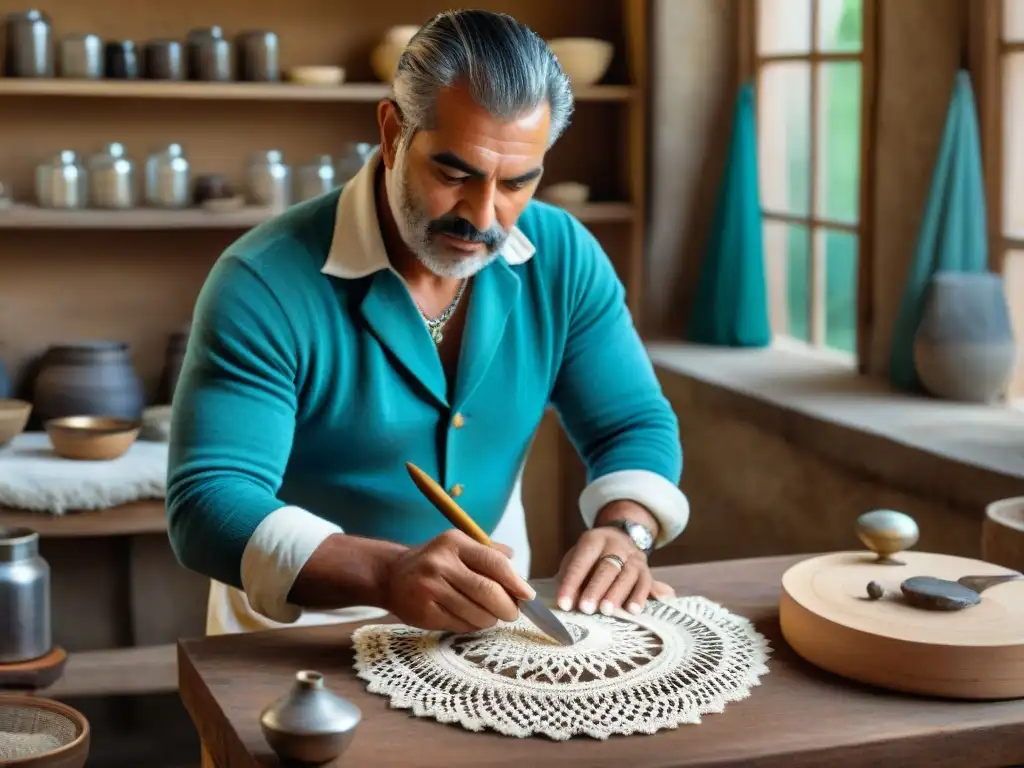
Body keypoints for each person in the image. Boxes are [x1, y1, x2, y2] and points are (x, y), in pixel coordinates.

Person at [166, 8, 690, 637]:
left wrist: (623, 528)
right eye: (454, 174)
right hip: (298, 633)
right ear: (392, 132)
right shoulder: (263, 280)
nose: (485, 216)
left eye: (518, 182)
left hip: (491, 625)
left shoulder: (563, 256)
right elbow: (207, 502)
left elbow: (631, 421)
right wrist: (386, 573)